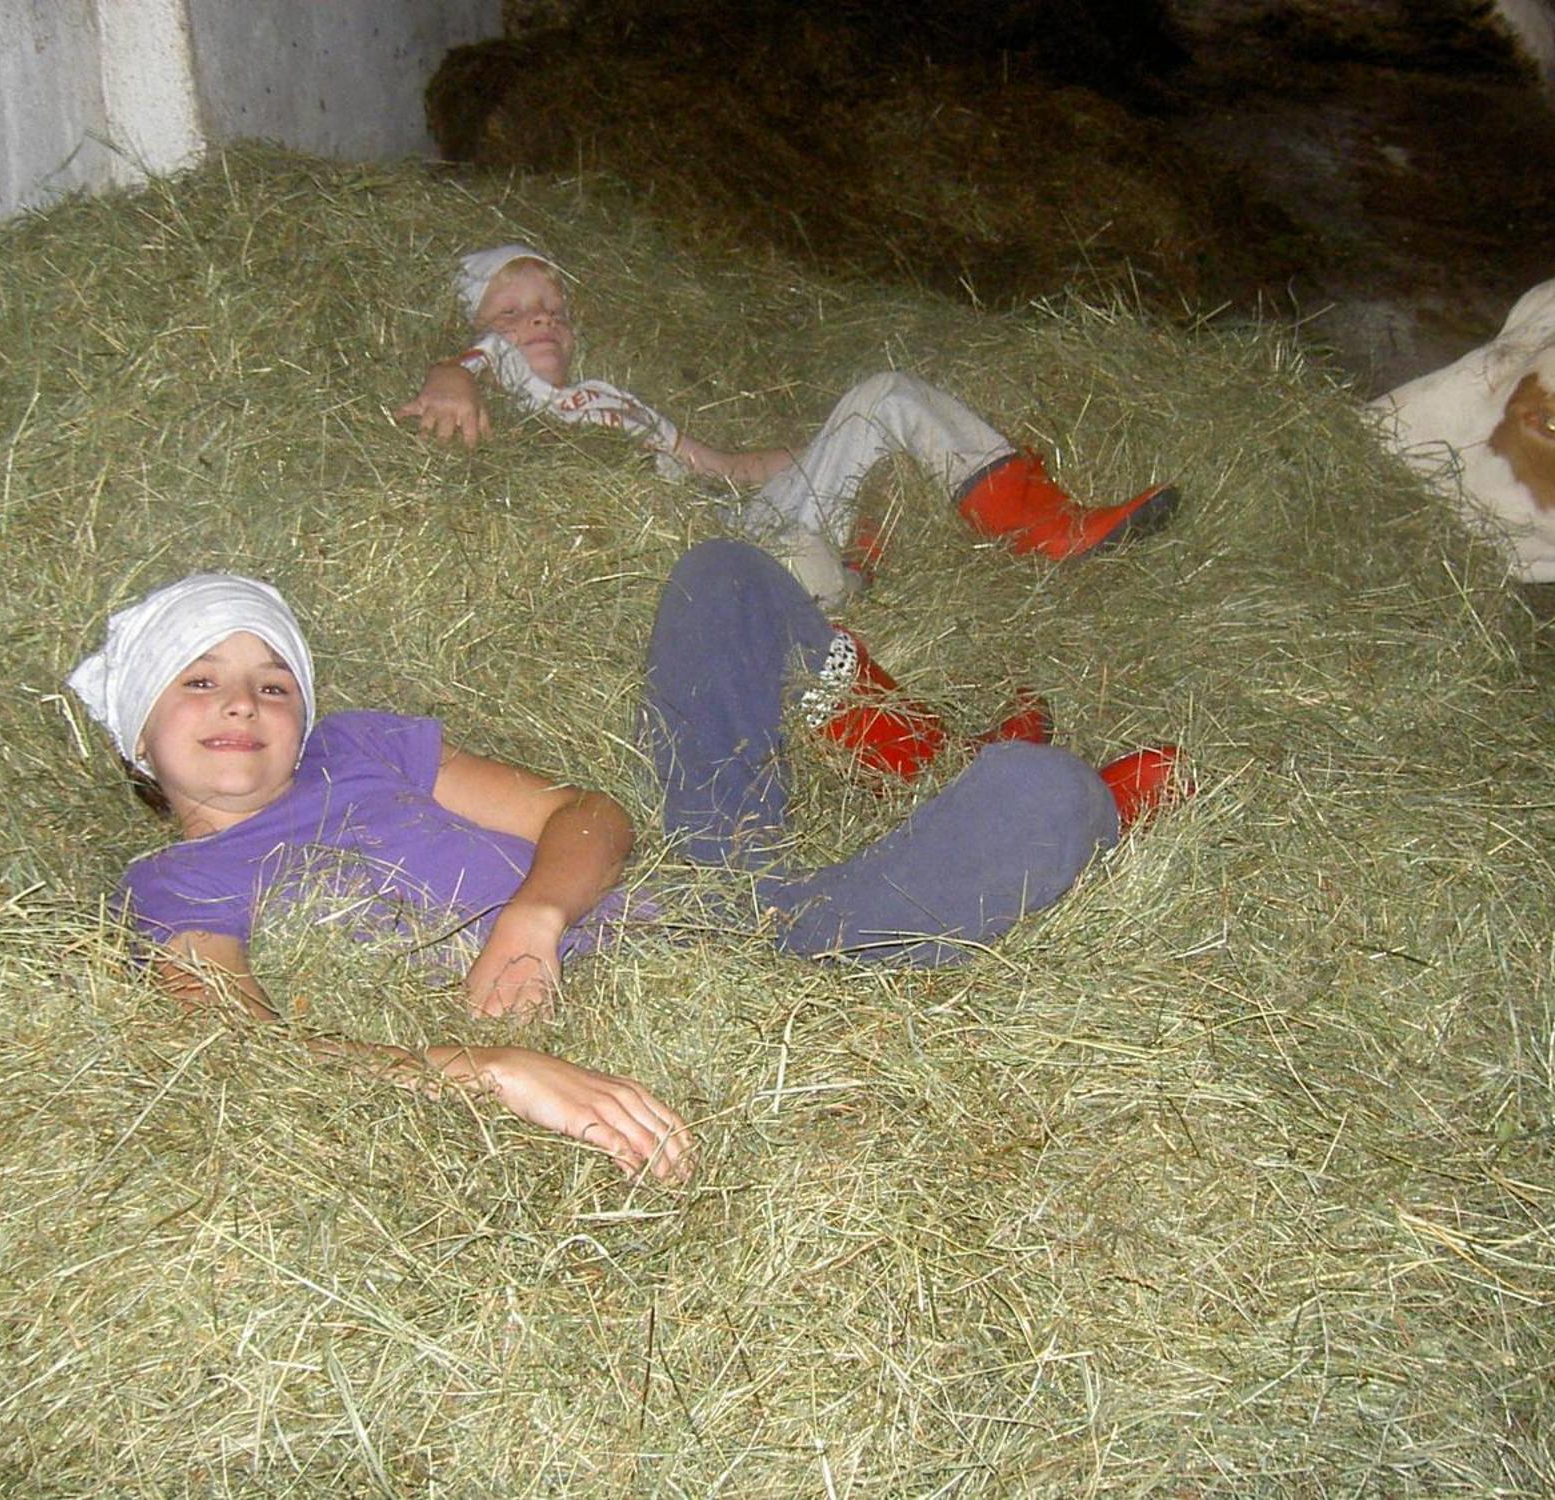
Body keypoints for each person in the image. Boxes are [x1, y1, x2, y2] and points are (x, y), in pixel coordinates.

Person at [67, 552, 1186, 1181]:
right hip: (733, 961)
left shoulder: (353, 749)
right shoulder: (178, 892)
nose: (241, 704)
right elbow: (248, 1059)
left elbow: (587, 810)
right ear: (135, 734)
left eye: (271, 681)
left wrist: (534, 917)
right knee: (1047, 799)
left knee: (723, 579)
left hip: (682, 884)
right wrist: (491, 1067)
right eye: (197, 681)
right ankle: (1010, 798)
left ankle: (906, 734)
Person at [393, 244, 1180, 607]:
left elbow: (724, 467)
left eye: (554, 313)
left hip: (734, 520)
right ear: (480, 327)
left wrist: (843, 445)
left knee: (885, 392)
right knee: (798, 565)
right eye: (513, 311)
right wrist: (452, 376)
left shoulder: (608, 399)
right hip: (686, 568)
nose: (540, 322)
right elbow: (465, 364)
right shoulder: (510, 389)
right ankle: (848, 580)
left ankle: (1045, 525)